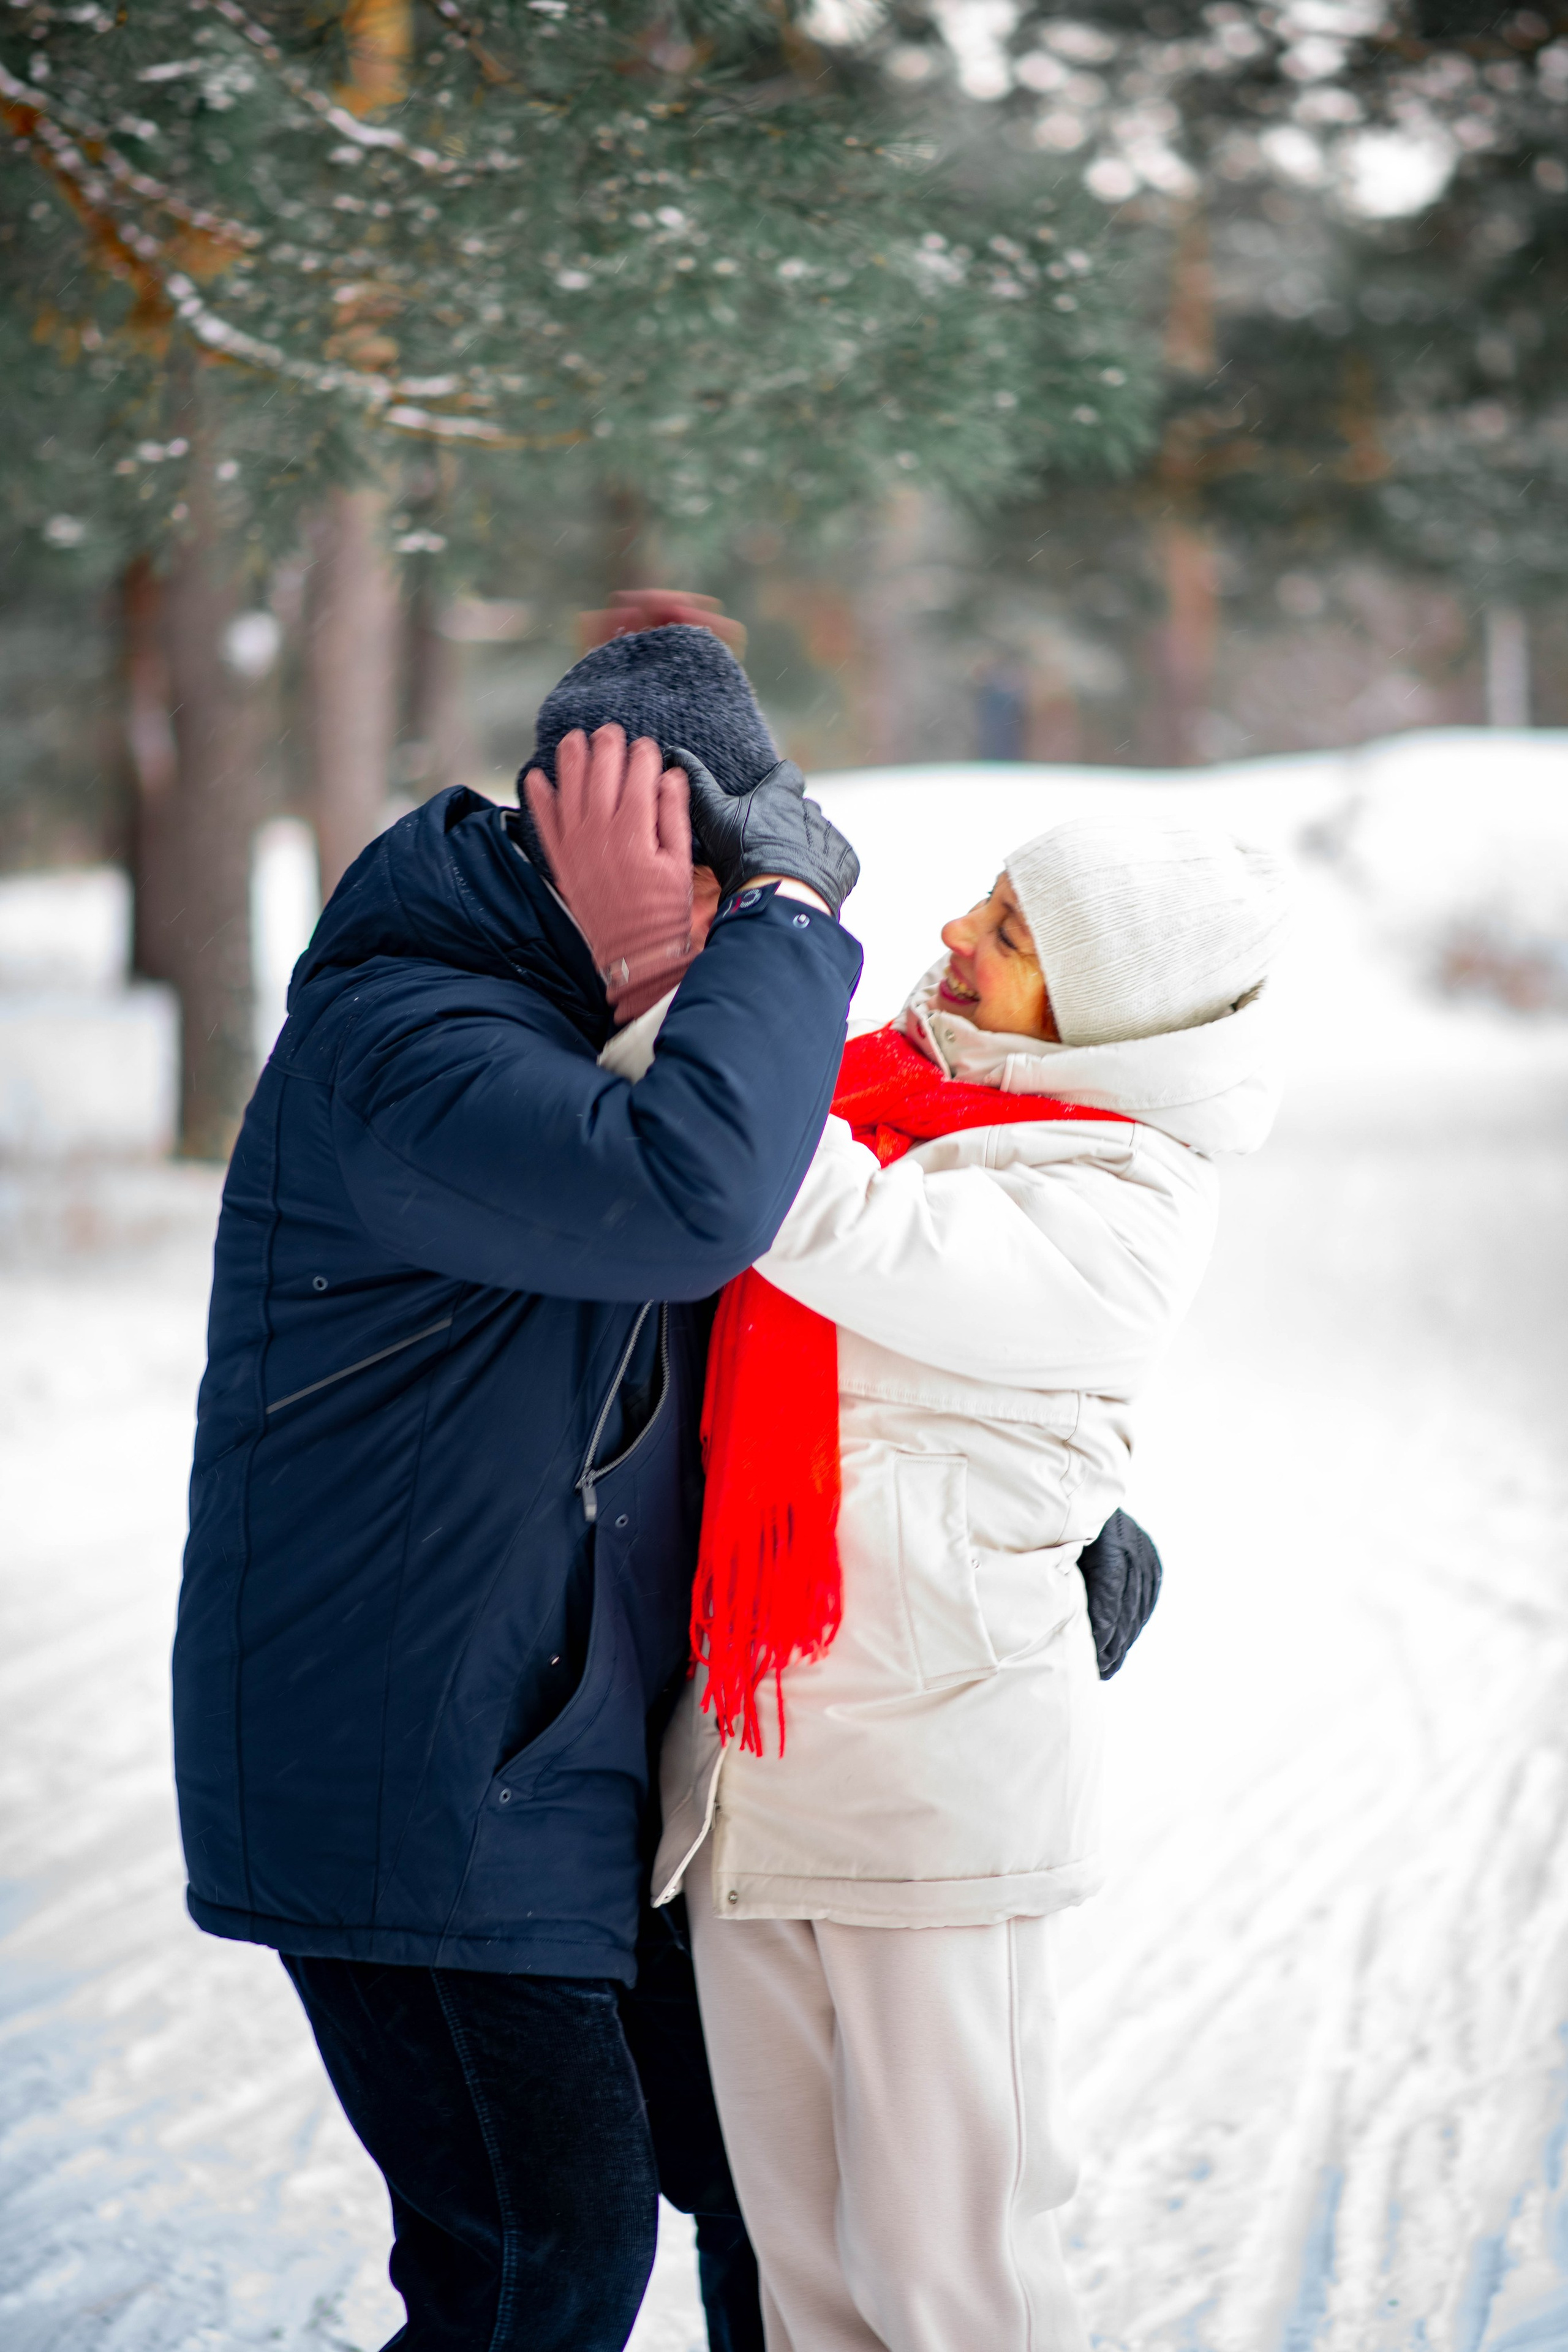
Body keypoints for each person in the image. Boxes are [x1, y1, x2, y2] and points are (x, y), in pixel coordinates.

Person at [172, 616, 862, 2352]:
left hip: (558, 1763)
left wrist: (1051, 1518)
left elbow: (785, 1300)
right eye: (721, 884)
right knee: (534, 2265)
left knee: (767, 2181)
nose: (728, 936)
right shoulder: (406, 1050)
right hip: (421, 1772)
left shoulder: (604, 1048)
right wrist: (772, 935)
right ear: (618, 852)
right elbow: (697, 1198)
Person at [639, 812, 1292, 2352]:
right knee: (800, 2286)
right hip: (747, 1774)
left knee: (949, 2288)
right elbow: (677, 1137)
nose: (952, 937)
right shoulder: (877, 1091)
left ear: (1099, 1010)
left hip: (930, 1800)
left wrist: (700, 988)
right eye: (987, 905)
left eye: (1006, 936)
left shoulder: (1125, 1198)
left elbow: (797, 1215)